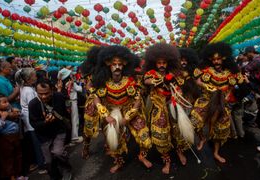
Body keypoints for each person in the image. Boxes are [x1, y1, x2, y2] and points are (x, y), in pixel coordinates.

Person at [92, 45, 152, 173]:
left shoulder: (129, 81)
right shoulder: (104, 82)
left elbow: (137, 100)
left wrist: (128, 117)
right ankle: (119, 162)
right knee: (113, 142)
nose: (117, 67)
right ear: (109, 65)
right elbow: (96, 98)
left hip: (130, 111)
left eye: (120, 64)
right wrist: (105, 115)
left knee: (145, 139)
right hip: (112, 112)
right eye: (114, 64)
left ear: (124, 65)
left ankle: (142, 156)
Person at [190, 42, 245, 163]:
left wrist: (228, 94)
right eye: (214, 59)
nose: (216, 62)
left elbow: (236, 84)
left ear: (224, 58)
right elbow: (196, 79)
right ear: (210, 59)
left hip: (221, 104)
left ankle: (216, 153)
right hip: (205, 101)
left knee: (221, 129)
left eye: (219, 59)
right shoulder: (205, 70)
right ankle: (203, 138)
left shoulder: (231, 71)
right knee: (194, 121)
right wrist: (207, 86)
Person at [144, 43, 194, 174]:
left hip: (173, 104)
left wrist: (178, 92)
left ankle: (179, 151)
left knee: (178, 130)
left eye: (164, 63)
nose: (161, 65)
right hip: (158, 106)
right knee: (161, 134)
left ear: (168, 63)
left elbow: (180, 88)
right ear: (155, 63)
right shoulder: (151, 73)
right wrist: (161, 81)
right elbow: (147, 81)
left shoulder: (175, 74)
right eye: (159, 62)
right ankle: (167, 160)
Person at [29, 79, 72, 180]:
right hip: (43, 135)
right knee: (48, 161)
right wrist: (45, 122)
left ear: (52, 90)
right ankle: (55, 176)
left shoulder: (59, 97)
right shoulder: (33, 104)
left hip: (59, 131)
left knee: (58, 152)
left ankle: (67, 169)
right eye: (40, 94)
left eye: (46, 93)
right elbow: (34, 124)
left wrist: (68, 109)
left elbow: (66, 109)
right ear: (36, 92)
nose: (43, 96)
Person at [80, 46, 103, 159]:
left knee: (107, 124)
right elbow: (88, 86)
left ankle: (109, 145)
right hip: (92, 101)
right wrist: (94, 93)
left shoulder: (106, 70)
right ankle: (86, 147)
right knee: (88, 126)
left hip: (105, 100)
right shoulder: (89, 72)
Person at [0, 94, 22, 180]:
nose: (8, 103)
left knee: (17, 156)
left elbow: (21, 115)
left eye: (7, 101)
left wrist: (17, 112)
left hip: (15, 137)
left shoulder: (9, 110)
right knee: (8, 159)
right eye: (4, 102)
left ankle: (17, 175)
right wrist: (3, 119)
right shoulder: (0, 115)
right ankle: (12, 177)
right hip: (5, 139)